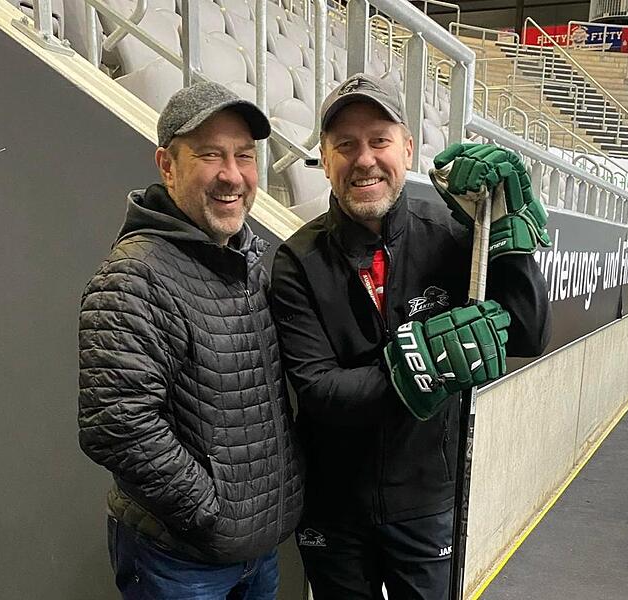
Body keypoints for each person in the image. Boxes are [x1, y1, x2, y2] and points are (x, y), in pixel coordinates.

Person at [270, 73, 552, 599]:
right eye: (345, 145)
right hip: (333, 507)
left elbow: (529, 336)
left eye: (379, 141)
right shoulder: (295, 262)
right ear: (325, 159)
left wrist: (512, 251)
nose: (364, 160)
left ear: (408, 147)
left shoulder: (451, 236)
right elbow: (319, 391)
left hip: (426, 500)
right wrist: (418, 368)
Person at [78, 81, 303, 599]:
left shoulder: (246, 261)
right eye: (210, 155)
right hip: (181, 561)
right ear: (167, 166)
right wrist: (212, 510)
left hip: (256, 551)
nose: (232, 175)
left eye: (244, 156)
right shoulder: (134, 277)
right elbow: (116, 425)